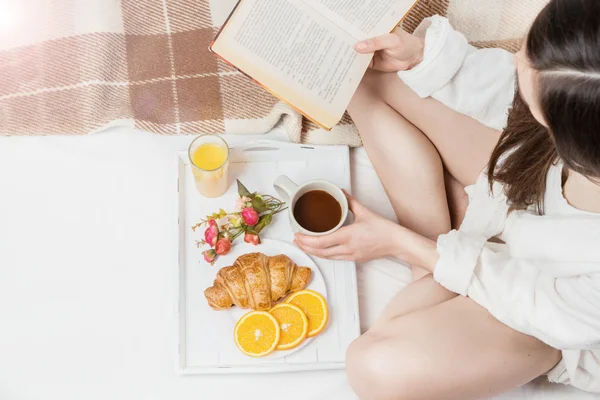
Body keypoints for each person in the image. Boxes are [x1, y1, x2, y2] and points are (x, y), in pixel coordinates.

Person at [293, 0, 600, 398]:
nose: (518, 64)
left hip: (546, 313)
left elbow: (541, 306)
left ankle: (445, 252)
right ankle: (449, 246)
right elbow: (509, 88)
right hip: (527, 178)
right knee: (362, 74)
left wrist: (403, 243)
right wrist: (423, 57)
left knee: (373, 368)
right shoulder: (581, 86)